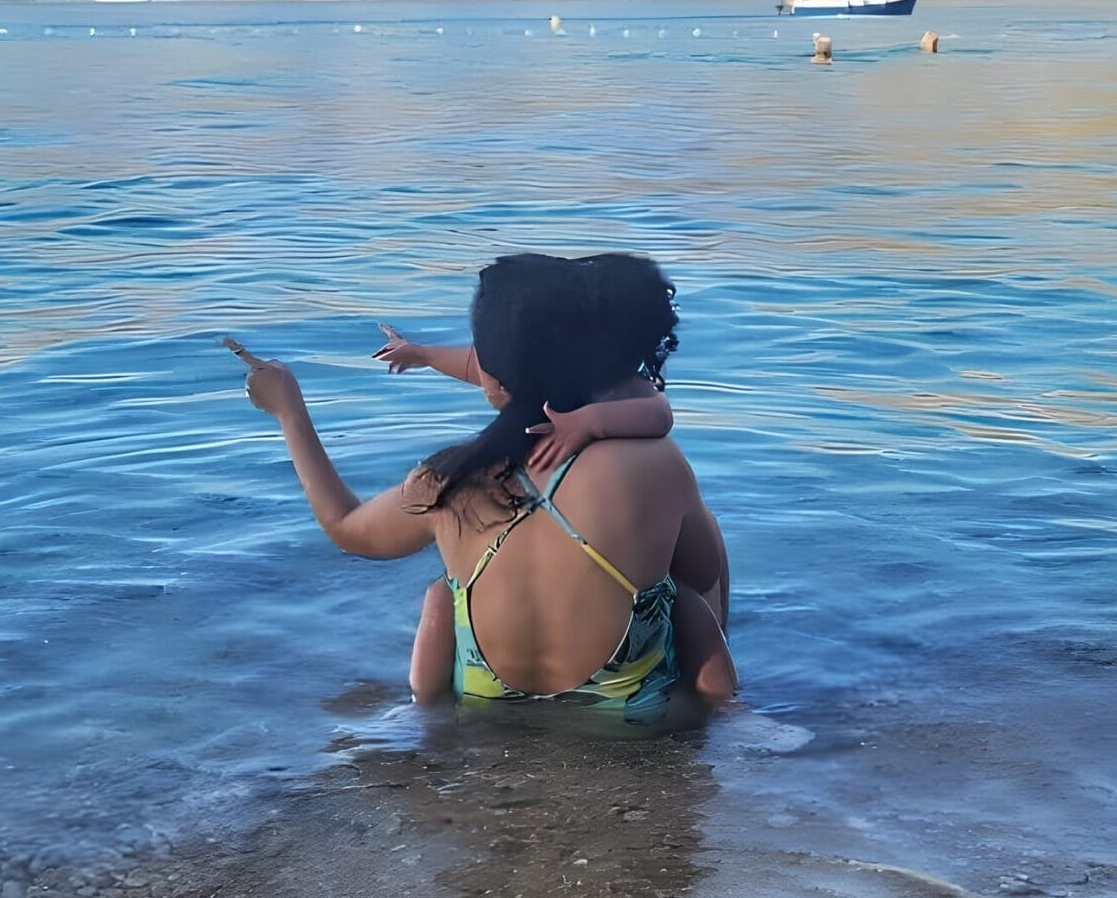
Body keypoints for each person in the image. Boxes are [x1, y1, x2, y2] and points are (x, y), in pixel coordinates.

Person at [228, 254, 736, 713]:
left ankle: (425, 717)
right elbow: (703, 569)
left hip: (487, 695)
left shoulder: (446, 482)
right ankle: (723, 713)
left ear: (492, 377)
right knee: (682, 576)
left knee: (440, 594)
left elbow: (346, 528)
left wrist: (288, 409)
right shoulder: (654, 461)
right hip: (629, 705)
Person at [377, 254, 729, 696]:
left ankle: (423, 714)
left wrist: (590, 424)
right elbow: (483, 367)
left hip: (494, 677)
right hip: (617, 681)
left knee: (441, 595)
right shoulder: (582, 374)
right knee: (691, 575)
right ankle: (722, 698)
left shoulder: (608, 384)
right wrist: (424, 354)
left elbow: (659, 413)